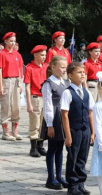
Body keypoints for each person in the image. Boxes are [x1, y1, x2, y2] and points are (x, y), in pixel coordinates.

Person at [61, 62, 95, 195]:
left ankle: (81, 183)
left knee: (83, 157)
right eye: (79, 72)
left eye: (83, 72)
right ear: (70, 75)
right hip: (74, 130)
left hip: (85, 129)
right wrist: (68, 135)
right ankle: (72, 185)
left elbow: (90, 112)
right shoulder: (68, 93)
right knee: (73, 157)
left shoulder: (86, 92)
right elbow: (64, 115)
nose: (83, 74)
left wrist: (93, 131)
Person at [41, 56, 70, 190]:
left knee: (60, 148)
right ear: (53, 67)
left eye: (65, 67)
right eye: (62, 67)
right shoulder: (48, 84)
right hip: (53, 118)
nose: (64, 69)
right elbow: (47, 105)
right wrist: (49, 124)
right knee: (52, 148)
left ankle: (59, 176)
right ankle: (50, 178)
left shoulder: (66, 83)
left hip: (63, 117)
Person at [0, 32, 24, 141]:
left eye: (14, 41)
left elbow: (20, 69)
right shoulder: (2, 54)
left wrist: (20, 83)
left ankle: (15, 129)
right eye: (10, 41)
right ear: (6, 41)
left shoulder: (17, 54)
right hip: (6, 81)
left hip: (16, 80)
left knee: (16, 106)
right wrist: (1, 85)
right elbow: (0, 70)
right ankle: (5, 131)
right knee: (6, 105)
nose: (13, 43)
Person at [25, 45, 49, 157]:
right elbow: (27, 86)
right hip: (35, 97)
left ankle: (40, 145)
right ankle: (33, 147)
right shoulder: (29, 68)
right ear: (35, 55)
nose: (44, 57)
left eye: (45, 55)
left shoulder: (47, 67)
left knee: (43, 123)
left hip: (46, 97)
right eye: (42, 55)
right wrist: (28, 103)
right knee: (35, 123)